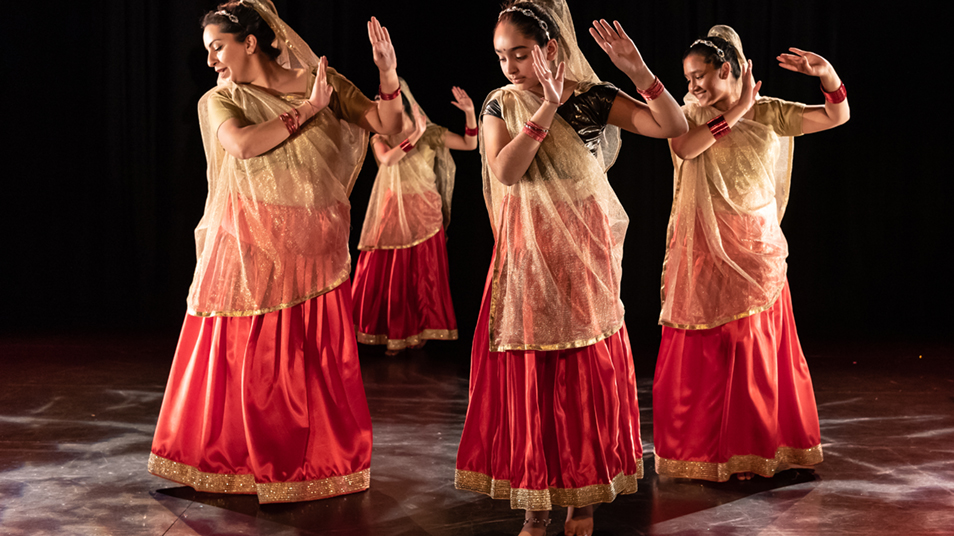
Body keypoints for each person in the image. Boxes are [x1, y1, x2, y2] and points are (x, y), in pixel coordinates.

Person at [147, 0, 405, 503]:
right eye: (208, 50)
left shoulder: (320, 80)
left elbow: (388, 125)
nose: (211, 60)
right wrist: (308, 109)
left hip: (310, 246)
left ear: (250, 42)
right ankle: (231, 460)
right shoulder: (222, 100)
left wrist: (387, 73)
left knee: (306, 358)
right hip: (247, 243)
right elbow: (243, 146)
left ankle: (311, 459)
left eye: (217, 47)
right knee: (243, 356)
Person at [454, 2, 687, 535]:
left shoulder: (590, 100)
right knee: (534, 377)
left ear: (551, 49)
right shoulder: (500, 104)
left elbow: (672, 125)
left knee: (583, 373)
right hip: (527, 255)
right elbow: (505, 171)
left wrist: (637, 70)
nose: (510, 66)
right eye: (502, 56)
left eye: (521, 54)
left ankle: (582, 504)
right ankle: (536, 506)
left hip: (585, 251)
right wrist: (543, 109)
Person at [653, 25, 850, 482]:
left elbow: (835, 117)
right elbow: (685, 149)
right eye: (687, 78)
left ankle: (752, 450)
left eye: (699, 76)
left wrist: (828, 74)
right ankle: (699, 451)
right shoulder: (686, 116)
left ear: (728, 69)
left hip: (754, 249)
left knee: (751, 352)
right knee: (709, 350)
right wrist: (735, 112)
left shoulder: (770, 112)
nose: (692, 86)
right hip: (702, 245)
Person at [351, 80, 477, 355]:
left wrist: (469, 112)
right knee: (391, 273)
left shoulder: (431, 133)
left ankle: (418, 331)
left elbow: (469, 144)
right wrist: (415, 136)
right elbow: (388, 160)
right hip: (393, 211)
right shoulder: (380, 136)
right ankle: (391, 333)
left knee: (423, 276)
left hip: (425, 213)